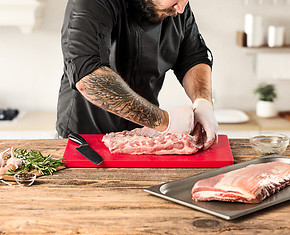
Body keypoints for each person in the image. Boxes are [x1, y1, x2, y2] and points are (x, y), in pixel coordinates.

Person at [56, 0, 218, 150]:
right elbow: (89, 77)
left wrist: (202, 100)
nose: (181, 8)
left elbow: (194, 56)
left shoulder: (175, 8)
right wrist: (164, 121)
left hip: (144, 138)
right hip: (86, 141)